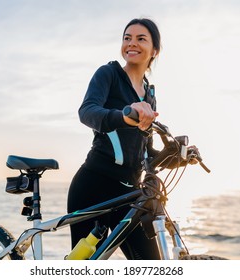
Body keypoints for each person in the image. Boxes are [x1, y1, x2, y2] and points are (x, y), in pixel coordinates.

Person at [67, 18, 163, 259]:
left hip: (130, 194)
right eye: (127, 38)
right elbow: (87, 111)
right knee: (83, 267)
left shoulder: (149, 95)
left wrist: (175, 154)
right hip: (94, 185)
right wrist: (124, 116)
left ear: (155, 50)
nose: (132, 43)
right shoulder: (108, 73)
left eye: (141, 39)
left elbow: (145, 152)